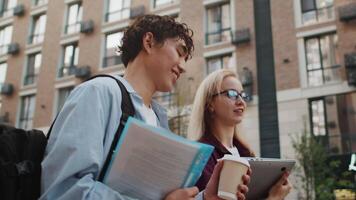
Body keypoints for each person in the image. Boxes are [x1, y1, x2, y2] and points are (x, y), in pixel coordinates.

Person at [40, 15, 250, 200]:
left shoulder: (159, 120)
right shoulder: (98, 93)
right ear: (149, 41)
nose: (183, 67)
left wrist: (205, 197)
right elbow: (62, 190)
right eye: (179, 52)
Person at [187, 69, 292, 199]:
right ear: (210, 104)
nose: (241, 101)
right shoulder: (200, 156)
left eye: (243, 95)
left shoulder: (247, 154)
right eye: (231, 94)